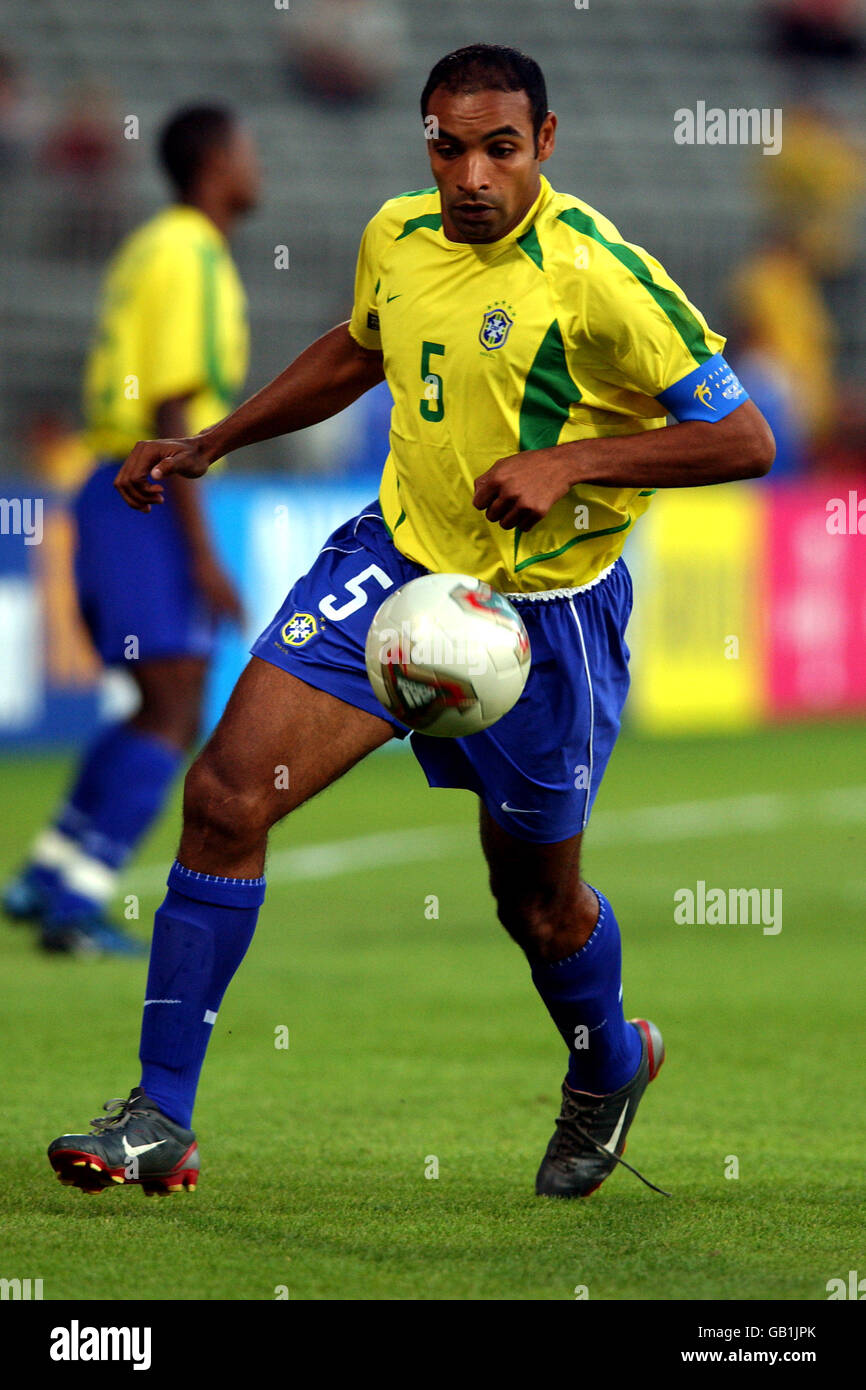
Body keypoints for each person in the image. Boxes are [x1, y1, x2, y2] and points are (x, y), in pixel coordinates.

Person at [46, 46, 773, 1199]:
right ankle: (161, 1115)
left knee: (534, 902)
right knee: (227, 792)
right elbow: (359, 348)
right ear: (423, 140)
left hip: (544, 623)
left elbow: (743, 441)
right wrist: (212, 443)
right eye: (447, 145)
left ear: (544, 142)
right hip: (393, 566)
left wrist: (571, 459)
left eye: (497, 147)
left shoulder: (603, 278)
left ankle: (608, 1062)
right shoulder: (396, 232)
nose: (470, 172)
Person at [4, 104, 259, 955]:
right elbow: (173, 403)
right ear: (218, 162)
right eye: (248, 151)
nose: (258, 166)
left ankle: (50, 874)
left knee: (155, 701)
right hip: (144, 489)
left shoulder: (159, 244)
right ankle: (79, 898)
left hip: (112, 488)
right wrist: (205, 554)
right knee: (172, 704)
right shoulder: (191, 250)